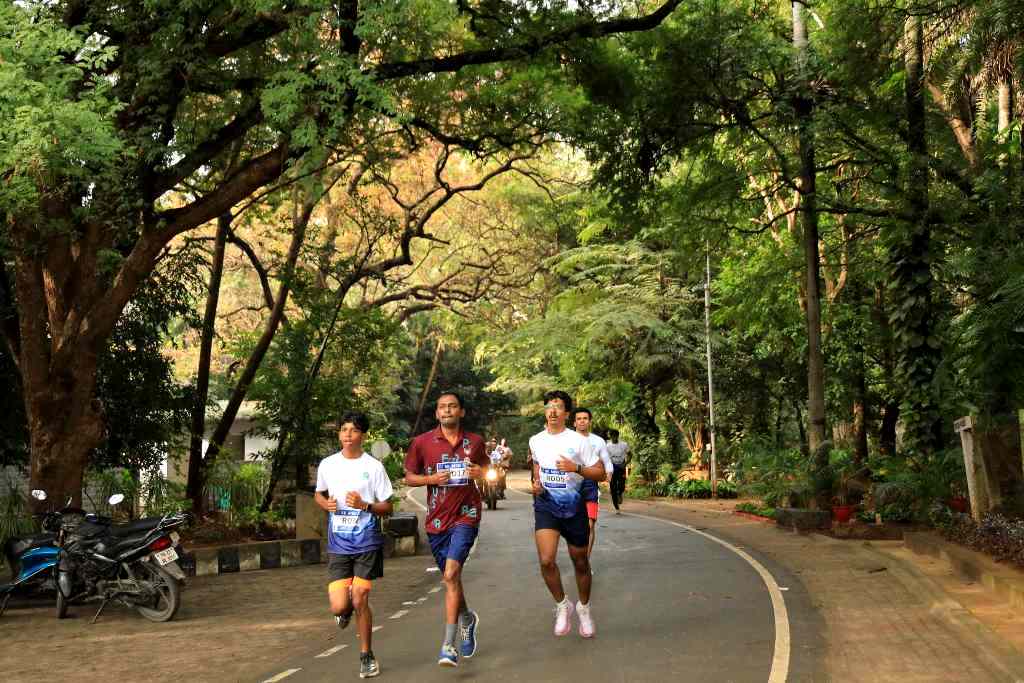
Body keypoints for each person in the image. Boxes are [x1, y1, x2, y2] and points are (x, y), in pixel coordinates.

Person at [404, 391, 489, 668]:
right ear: (437, 413)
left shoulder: (475, 442)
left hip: (466, 515)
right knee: (451, 579)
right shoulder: (422, 442)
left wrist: (479, 473)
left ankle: (448, 646)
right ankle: (467, 617)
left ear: (461, 411)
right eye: (442, 407)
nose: (447, 410)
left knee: (451, 574)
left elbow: (487, 469)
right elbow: (409, 477)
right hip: (437, 521)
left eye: (453, 406)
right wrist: (430, 479)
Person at [314, 411, 394, 679]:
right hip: (338, 543)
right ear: (339, 434)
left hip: (366, 542)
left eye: (354, 430)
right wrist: (326, 504)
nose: (348, 434)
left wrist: (365, 505)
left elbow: (388, 506)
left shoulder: (374, 467)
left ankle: (366, 656)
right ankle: (345, 611)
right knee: (339, 606)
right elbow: (318, 494)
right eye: (344, 429)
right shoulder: (328, 464)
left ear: (363, 435)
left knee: (360, 597)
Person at [529, 390, 605, 639]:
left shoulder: (579, 441)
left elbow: (600, 473)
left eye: (558, 407)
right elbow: (537, 467)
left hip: (574, 508)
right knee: (546, 560)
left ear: (567, 413)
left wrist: (576, 468)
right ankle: (563, 605)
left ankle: (584, 608)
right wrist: (536, 484)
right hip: (546, 505)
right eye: (548, 406)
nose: (552, 411)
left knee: (580, 561)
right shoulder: (536, 440)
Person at [572, 408, 614, 561]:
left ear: (589, 421)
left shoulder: (598, 441)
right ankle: (577, 556)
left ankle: (585, 562)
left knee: (589, 525)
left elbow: (607, 461)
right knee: (574, 527)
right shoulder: (566, 440)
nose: (582, 421)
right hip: (571, 485)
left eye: (585, 418)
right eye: (579, 419)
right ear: (574, 422)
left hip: (590, 484)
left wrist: (608, 473)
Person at [606, 430, 630, 513]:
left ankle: (620, 493)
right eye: (612, 436)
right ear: (610, 437)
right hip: (612, 467)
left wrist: (625, 463)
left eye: (615, 436)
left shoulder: (624, 444)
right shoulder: (607, 446)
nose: (614, 438)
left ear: (617, 436)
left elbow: (630, 454)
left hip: (621, 466)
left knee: (622, 485)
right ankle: (617, 507)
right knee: (613, 487)